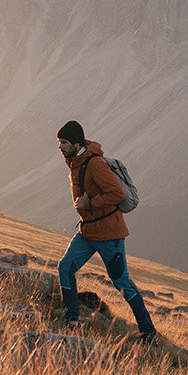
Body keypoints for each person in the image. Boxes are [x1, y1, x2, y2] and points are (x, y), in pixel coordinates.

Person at [55, 120, 158, 343]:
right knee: (65, 267)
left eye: (63, 142)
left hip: (110, 235)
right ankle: (71, 321)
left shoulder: (94, 164)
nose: (60, 147)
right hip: (88, 232)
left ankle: (149, 333)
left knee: (122, 283)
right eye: (59, 142)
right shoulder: (75, 161)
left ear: (75, 143)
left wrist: (89, 203)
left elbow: (117, 194)